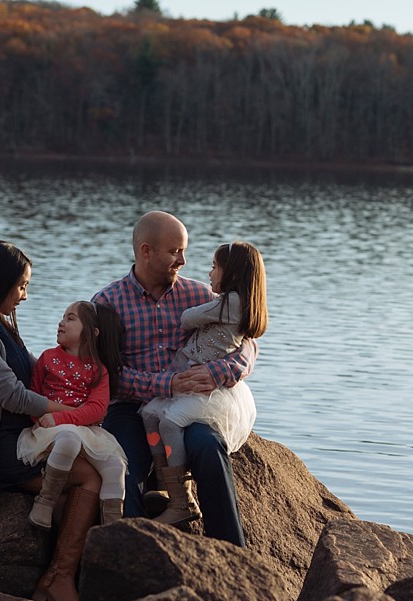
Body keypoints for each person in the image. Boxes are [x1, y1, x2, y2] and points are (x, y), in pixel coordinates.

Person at [0, 240, 100, 601]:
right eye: (22, 286)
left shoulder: (1, 326)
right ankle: (60, 578)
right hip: (3, 446)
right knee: (89, 477)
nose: (25, 296)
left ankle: (52, 580)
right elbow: (13, 396)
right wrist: (75, 415)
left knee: (72, 498)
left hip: (32, 437)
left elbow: (38, 372)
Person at [93, 211, 258, 546]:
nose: (183, 260)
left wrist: (217, 372)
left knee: (208, 446)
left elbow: (247, 340)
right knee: (123, 467)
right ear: (145, 251)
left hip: (187, 405)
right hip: (131, 406)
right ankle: (136, 560)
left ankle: (235, 556)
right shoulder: (107, 303)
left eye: (184, 251)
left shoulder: (199, 296)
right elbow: (106, 375)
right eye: (175, 252)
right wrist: (165, 384)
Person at [140, 241, 267, 525]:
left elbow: (189, 319)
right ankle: (165, 482)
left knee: (174, 425)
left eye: (214, 267)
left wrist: (223, 367)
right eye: (175, 251)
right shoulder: (235, 303)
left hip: (207, 389)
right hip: (179, 378)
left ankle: (182, 498)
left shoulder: (221, 300)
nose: (209, 273)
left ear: (231, 273)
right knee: (149, 415)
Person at [17, 301, 128, 529]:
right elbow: (33, 397)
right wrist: (43, 421)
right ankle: (45, 502)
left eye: (70, 318)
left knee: (116, 467)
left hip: (85, 429)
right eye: (62, 317)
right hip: (51, 431)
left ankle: (112, 528)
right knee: (69, 439)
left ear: (91, 333)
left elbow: (97, 409)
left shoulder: (98, 369)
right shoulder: (47, 358)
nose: (61, 322)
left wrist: (62, 418)